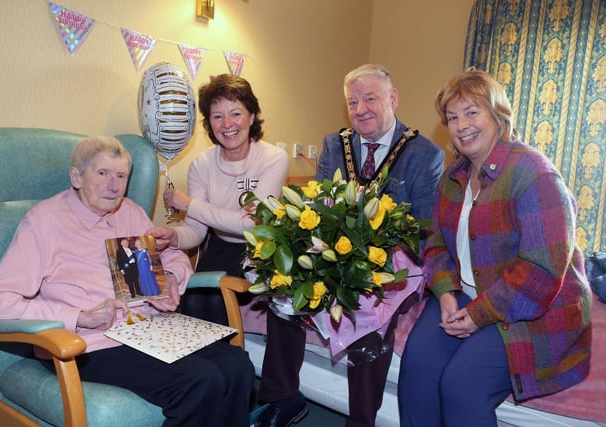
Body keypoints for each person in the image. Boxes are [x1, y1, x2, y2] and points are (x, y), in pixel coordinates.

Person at [0, 136, 256, 427]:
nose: (114, 185)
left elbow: (172, 257)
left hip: (145, 329)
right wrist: (78, 317)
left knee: (238, 365)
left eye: (121, 176)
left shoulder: (129, 212)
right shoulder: (44, 222)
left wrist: (170, 279)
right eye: (103, 173)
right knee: (201, 380)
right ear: (76, 176)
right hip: (88, 343)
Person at [398, 69, 592, 427]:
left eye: (472, 112)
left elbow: (541, 272)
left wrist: (477, 315)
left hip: (531, 308)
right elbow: (435, 241)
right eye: (453, 117)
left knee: (462, 385)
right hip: (468, 296)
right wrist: (444, 292)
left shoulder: (534, 174)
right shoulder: (453, 177)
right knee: (418, 368)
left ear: (498, 115)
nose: (460, 126)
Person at [255, 64, 445, 427]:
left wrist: (371, 264)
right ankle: (283, 397)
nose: (360, 110)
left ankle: (361, 420)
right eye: (352, 102)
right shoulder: (334, 143)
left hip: (393, 262)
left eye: (369, 98)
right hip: (334, 251)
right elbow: (320, 206)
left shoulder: (425, 154)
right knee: (284, 291)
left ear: (393, 99)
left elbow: (423, 229)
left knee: (373, 310)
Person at [148, 74, 289, 325]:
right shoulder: (201, 164)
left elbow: (251, 224)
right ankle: (200, 364)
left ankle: (231, 360)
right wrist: (174, 237)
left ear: (252, 116)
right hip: (218, 248)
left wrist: (189, 205)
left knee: (219, 303)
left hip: (259, 251)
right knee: (193, 302)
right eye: (217, 116)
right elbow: (196, 230)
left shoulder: (274, 159)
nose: (227, 124)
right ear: (209, 124)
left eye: (236, 113)